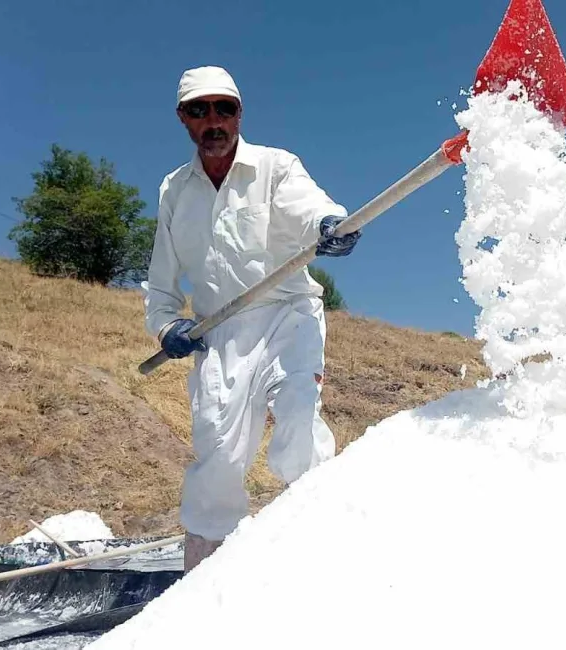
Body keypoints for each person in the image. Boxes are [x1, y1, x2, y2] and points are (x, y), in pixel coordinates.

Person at [143, 65, 361, 572]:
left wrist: (330, 226)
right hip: (218, 332)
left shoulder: (275, 166)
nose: (214, 120)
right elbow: (160, 284)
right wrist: (166, 326)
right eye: (200, 110)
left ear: (240, 114)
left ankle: (320, 564)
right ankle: (202, 582)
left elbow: (310, 208)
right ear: (183, 119)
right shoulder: (174, 191)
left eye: (225, 108)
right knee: (217, 455)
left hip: (288, 315)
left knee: (297, 428)